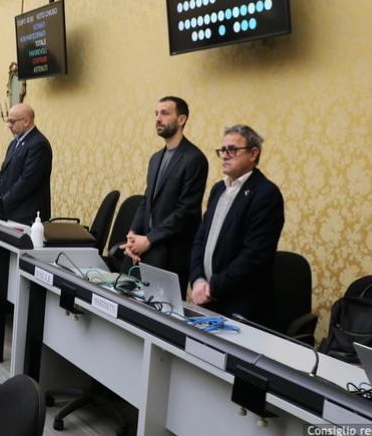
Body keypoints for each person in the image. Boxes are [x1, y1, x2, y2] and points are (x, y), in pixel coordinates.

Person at [189, 124, 285, 326]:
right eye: (222, 150)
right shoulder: (218, 189)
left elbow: (255, 256)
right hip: (206, 301)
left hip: (240, 308)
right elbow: (200, 239)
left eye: (232, 149)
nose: (224, 155)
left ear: (253, 153)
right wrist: (197, 279)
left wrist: (212, 288)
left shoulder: (266, 194)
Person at [122, 96, 208, 296]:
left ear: (181, 119)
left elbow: (186, 211)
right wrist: (133, 235)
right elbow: (146, 201)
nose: (158, 118)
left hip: (172, 254)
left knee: (161, 316)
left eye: (164, 113)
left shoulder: (194, 159)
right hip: (145, 250)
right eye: (156, 113)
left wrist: (149, 240)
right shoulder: (155, 158)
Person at [0, 103, 53, 225]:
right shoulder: (14, 143)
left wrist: (2, 204)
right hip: (9, 212)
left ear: (26, 121)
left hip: (26, 216)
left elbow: (27, 182)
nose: (8, 126)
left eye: (12, 121)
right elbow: (2, 173)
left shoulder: (38, 144)